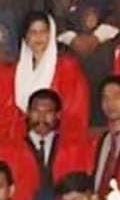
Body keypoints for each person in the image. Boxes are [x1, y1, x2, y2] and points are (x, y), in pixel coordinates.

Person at [13, 12, 89, 141]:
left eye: (43, 31)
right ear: (25, 37)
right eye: (33, 32)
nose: (38, 36)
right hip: (23, 140)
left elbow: (75, 111)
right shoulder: (16, 71)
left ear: (51, 34)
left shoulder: (67, 67)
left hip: (60, 140)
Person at [18, 89, 88, 200]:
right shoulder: (11, 149)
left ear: (58, 115)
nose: (41, 117)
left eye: (48, 112)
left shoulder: (72, 148)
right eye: (36, 111)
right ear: (27, 113)